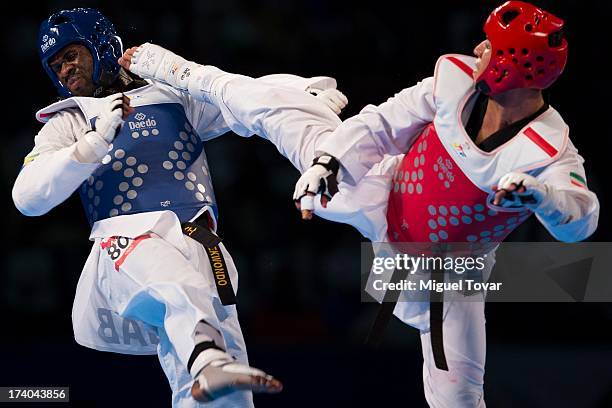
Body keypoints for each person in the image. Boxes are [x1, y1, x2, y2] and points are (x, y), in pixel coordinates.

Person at [12, 8, 346, 407]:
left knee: (228, 391)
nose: (64, 70)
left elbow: (238, 98)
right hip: (123, 245)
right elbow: (27, 197)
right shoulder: (68, 122)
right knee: (177, 290)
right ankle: (207, 359)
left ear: (100, 45)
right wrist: (88, 147)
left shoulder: (170, 97)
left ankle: (209, 368)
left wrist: (300, 92)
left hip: (201, 245)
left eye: (71, 56)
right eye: (55, 65)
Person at [292, 1, 600, 406]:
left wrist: (543, 198)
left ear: (515, 63)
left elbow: (581, 221)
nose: (478, 50)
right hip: (384, 195)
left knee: (461, 400)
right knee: (301, 135)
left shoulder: (550, 151)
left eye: (490, 46)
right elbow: (383, 123)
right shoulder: (454, 79)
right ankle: (207, 81)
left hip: (452, 272)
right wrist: (328, 162)